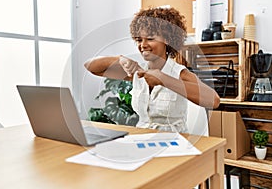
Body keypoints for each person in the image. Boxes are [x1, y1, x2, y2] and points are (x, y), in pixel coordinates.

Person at [84, 7, 220, 134]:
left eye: (150, 38)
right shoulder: (137, 71)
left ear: (167, 40)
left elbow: (214, 100)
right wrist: (119, 59)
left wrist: (163, 80)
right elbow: (90, 66)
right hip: (141, 138)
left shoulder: (179, 73)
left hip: (174, 142)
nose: (143, 45)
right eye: (138, 40)